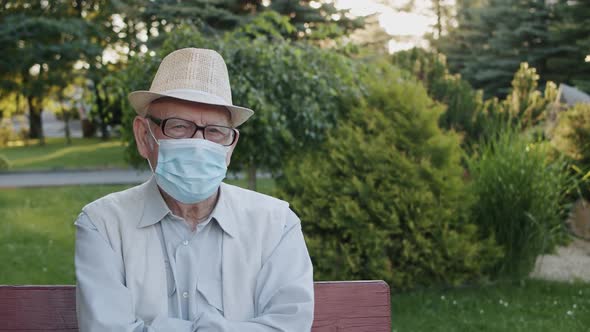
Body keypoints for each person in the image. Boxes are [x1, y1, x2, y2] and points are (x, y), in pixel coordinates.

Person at [74, 48, 315, 331]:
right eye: (179, 127)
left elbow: (289, 325)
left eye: (214, 131)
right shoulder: (102, 224)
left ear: (230, 146)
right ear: (143, 136)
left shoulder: (277, 223)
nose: (199, 145)